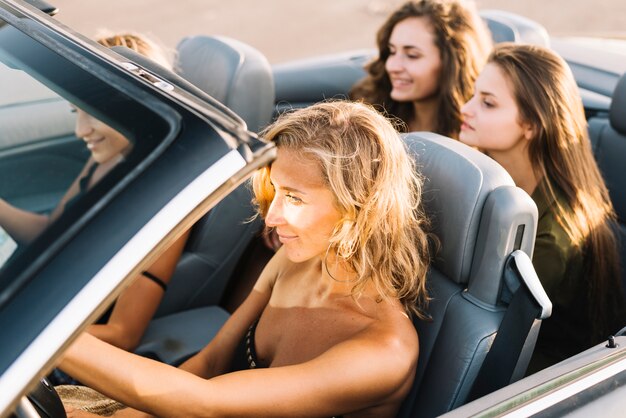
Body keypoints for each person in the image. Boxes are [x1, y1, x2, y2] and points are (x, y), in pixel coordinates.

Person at [58, 100, 433, 418]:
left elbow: (206, 403)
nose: (272, 217)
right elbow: (208, 364)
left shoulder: (383, 352)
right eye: (276, 191)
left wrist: (48, 338)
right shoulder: (294, 260)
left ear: (359, 205)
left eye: (296, 198)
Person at [459, 43, 626, 373]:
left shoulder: (554, 236)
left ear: (531, 125)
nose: (466, 108)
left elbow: (492, 329)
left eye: (488, 103)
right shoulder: (485, 178)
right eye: (474, 95)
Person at [350, 0, 492, 137]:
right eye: (392, 52)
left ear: (453, 62)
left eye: (412, 56)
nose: (392, 66)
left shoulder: (476, 132)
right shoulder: (369, 112)